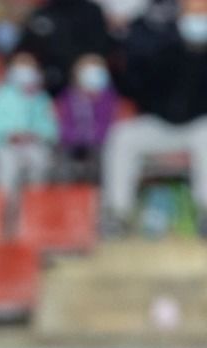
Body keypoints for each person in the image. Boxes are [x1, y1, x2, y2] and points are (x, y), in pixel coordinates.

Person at [102, 0, 207, 232]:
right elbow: (136, 87)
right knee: (123, 136)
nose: (198, 19)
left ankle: (205, 214)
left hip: (199, 127)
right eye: (193, 12)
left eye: (203, 12)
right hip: (161, 124)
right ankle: (118, 214)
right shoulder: (163, 46)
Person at [0, 53, 58, 200]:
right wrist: (7, 134)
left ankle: (34, 205)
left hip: (32, 144)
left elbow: (51, 126)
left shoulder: (41, 97)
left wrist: (36, 134)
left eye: (29, 68)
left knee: (40, 162)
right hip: (4, 144)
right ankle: (4, 207)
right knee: (6, 167)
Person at [55, 53, 116, 178]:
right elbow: (63, 124)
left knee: (103, 159)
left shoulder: (109, 98)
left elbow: (110, 123)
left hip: (100, 144)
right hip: (72, 144)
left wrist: (93, 135)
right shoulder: (68, 97)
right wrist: (77, 136)